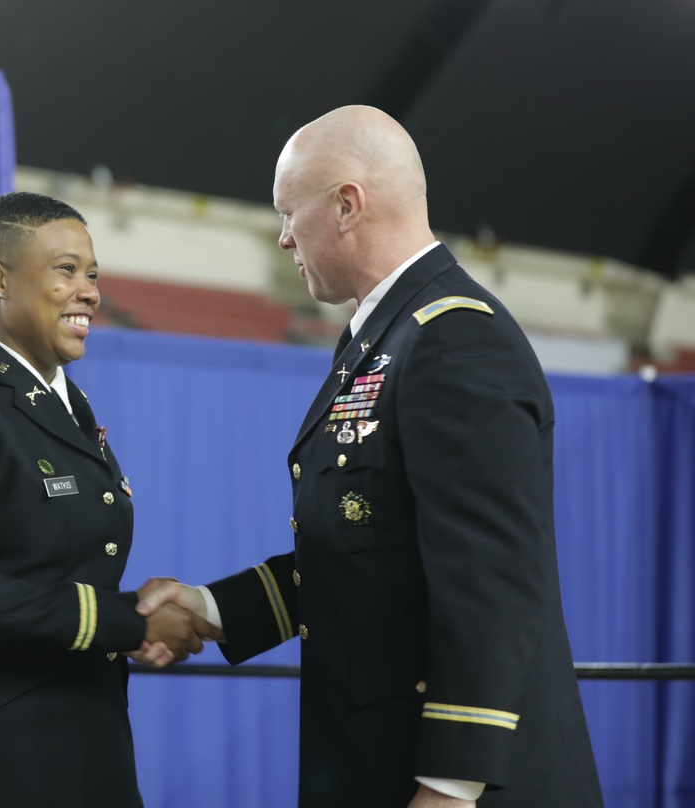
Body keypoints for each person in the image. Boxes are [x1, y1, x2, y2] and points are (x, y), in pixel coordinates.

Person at [138, 106, 604, 807]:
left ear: (347, 206)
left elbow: (492, 583)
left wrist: (448, 786)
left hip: (454, 783)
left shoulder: (453, 342)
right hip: (379, 760)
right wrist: (211, 609)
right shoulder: (384, 340)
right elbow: (364, 554)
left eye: (288, 212)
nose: (284, 236)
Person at [0, 192, 206, 807]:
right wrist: (126, 620)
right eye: (66, 269)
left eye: (94, 274)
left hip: (85, 740)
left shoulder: (71, 406)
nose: (90, 292)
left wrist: (146, 615)